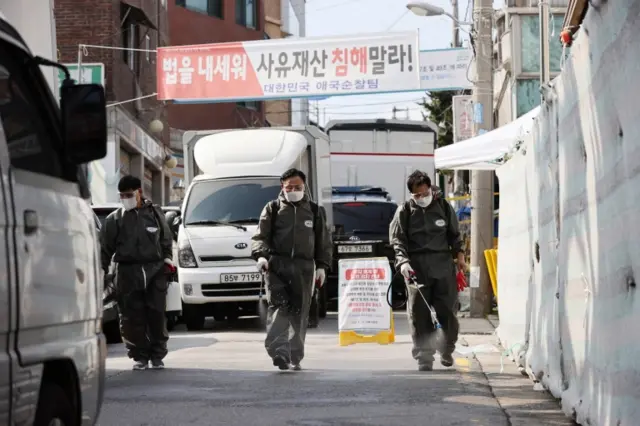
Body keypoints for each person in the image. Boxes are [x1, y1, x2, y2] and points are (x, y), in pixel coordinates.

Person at [251, 168, 332, 371]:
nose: (294, 190)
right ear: (282, 187)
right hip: (277, 266)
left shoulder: (314, 211)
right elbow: (260, 236)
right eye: (290, 187)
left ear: (305, 187)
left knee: (299, 312)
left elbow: (324, 242)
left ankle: (295, 354)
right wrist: (261, 256)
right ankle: (279, 351)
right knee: (279, 309)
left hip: (304, 268)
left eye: (298, 187)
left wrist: (322, 266)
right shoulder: (273, 209)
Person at [389, 171, 465, 372]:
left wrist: (460, 257)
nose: (422, 198)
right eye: (417, 195)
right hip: (416, 267)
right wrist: (403, 262)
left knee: (447, 311)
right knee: (419, 314)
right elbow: (398, 240)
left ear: (431, 189)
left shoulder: (443, 207)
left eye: (425, 193)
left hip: (442, 265)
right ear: (411, 194)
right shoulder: (404, 211)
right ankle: (424, 356)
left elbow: (455, 236)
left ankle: (447, 349)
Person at [100, 175, 175, 371]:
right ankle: (139, 356)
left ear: (139, 193)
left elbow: (166, 240)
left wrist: (167, 259)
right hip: (127, 272)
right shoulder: (114, 219)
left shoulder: (155, 214)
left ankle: (157, 356)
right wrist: (101, 271)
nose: (125, 198)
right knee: (131, 317)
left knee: (156, 314)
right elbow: (105, 249)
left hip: (155, 270)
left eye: (129, 194)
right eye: (122, 195)